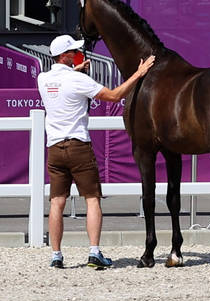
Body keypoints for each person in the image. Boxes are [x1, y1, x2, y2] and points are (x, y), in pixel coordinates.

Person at [37, 34, 155, 269]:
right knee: (92, 200)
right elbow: (115, 95)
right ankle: (94, 252)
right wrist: (138, 74)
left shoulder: (43, 79)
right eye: (73, 52)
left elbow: (61, 82)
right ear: (65, 55)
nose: (77, 55)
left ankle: (56, 256)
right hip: (78, 145)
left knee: (57, 202)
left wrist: (75, 69)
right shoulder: (78, 81)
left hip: (55, 148)